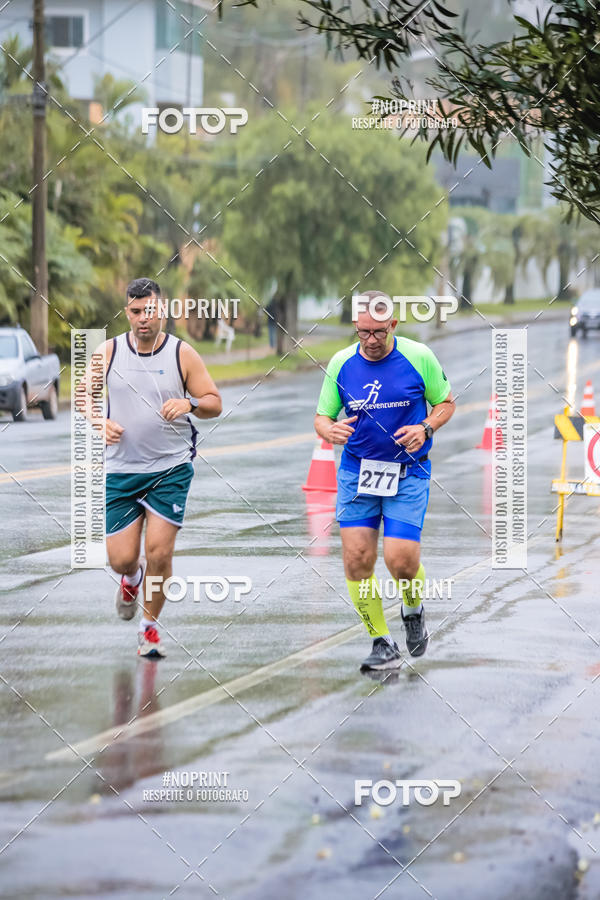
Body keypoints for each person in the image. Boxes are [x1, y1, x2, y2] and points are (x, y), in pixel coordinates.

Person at [314, 290, 455, 671]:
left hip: (408, 471)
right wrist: (329, 430)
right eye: (363, 332)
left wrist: (426, 427)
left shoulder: (418, 357)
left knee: (401, 561)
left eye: (378, 332)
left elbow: (446, 403)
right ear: (355, 327)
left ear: (393, 324)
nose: (371, 340)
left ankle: (413, 608)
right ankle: (381, 641)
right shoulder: (341, 363)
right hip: (357, 473)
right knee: (357, 559)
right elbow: (322, 416)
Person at [80, 278, 222, 658]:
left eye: (150, 310)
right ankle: (131, 576)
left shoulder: (181, 354)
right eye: (136, 311)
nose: (143, 318)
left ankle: (149, 629)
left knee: (159, 553)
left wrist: (190, 404)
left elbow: (214, 401)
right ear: (127, 312)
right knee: (121, 559)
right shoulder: (109, 352)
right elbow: (84, 395)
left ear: (163, 311)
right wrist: (98, 422)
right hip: (121, 470)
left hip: (170, 470)